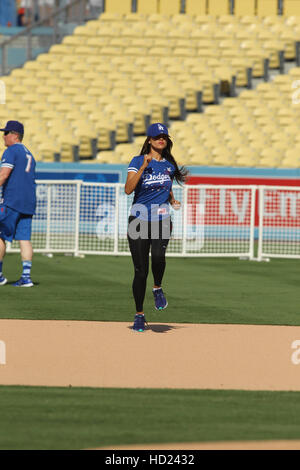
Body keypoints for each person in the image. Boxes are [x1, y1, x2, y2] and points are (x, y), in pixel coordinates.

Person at [125, 123, 188, 332]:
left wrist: (172, 200)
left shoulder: (169, 165)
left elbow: (167, 186)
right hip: (139, 218)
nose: (161, 139)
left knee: (159, 257)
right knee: (140, 271)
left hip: (161, 218)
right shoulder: (137, 160)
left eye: (164, 137)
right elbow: (128, 189)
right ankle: (139, 314)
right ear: (149, 140)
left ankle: (157, 287)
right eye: (157, 136)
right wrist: (143, 166)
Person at [0, 120, 36, 287]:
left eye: (5, 133)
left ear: (14, 135)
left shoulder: (11, 150)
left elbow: (4, 174)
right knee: (24, 239)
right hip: (28, 202)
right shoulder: (29, 153)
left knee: (0, 236)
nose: (3, 136)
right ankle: (26, 277)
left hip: (12, 200)